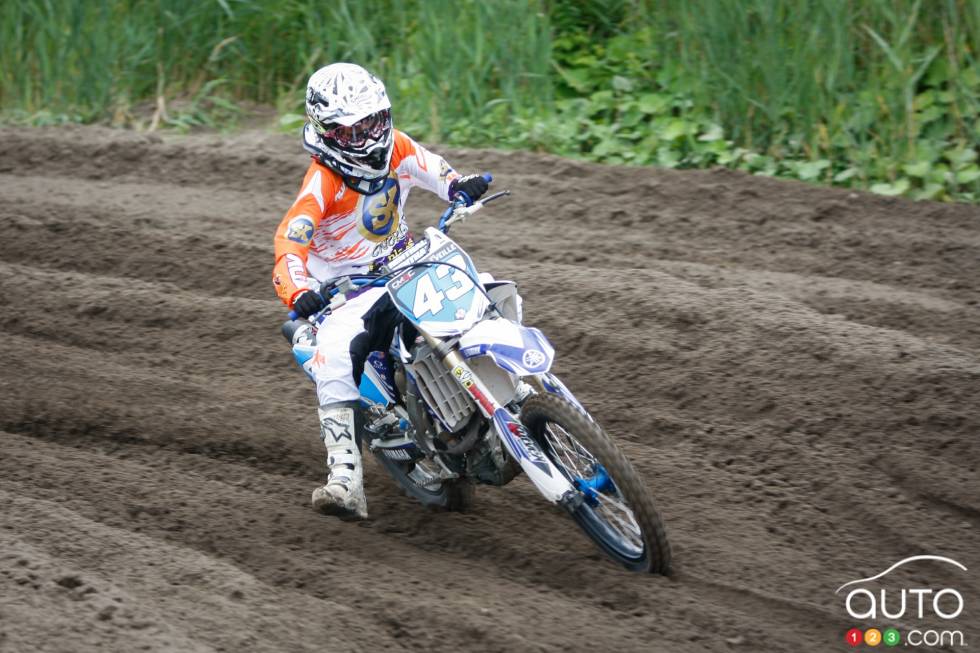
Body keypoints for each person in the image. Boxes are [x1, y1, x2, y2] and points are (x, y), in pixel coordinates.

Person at [272, 63, 489, 520]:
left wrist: (459, 186)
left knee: (482, 291)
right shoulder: (322, 182)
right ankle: (346, 479)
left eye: (373, 121)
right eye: (353, 130)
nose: (367, 137)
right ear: (327, 133)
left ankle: (512, 390)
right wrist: (298, 291)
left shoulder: (399, 148)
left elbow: (437, 171)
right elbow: (289, 242)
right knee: (332, 352)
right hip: (348, 289)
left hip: (406, 261)